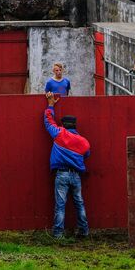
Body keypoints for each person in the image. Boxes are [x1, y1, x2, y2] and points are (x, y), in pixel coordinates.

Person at [44, 91, 90, 239]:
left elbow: (48, 120)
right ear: (75, 126)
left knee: (60, 205)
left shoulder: (59, 134)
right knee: (79, 203)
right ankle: (84, 231)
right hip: (76, 175)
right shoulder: (83, 141)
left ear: (63, 124)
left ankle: (58, 234)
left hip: (62, 174)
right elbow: (87, 155)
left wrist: (50, 105)